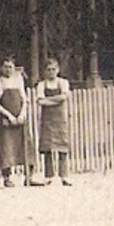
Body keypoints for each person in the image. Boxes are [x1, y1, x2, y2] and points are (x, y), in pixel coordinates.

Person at [0, 56, 29, 187]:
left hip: (20, 117)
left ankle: (29, 175)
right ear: (1, 68)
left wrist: (22, 113)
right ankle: (7, 177)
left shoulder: (19, 80)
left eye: (10, 67)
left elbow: (24, 100)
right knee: (7, 147)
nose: (8, 70)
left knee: (26, 144)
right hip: (6, 119)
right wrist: (8, 115)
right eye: (5, 67)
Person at [34, 57, 72, 185]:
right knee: (48, 147)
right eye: (48, 70)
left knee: (62, 146)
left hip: (60, 119)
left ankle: (64, 176)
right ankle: (48, 176)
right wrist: (56, 100)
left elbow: (64, 97)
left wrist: (48, 101)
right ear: (45, 71)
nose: (51, 72)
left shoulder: (63, 83)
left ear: (58, 70)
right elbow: (39, 101)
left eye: (53, 69)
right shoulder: (41, 85)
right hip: (47, 120)